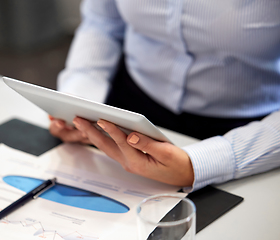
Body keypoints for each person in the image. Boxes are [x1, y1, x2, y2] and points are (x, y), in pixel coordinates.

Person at [49, 0, 280, 192]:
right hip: (129, 107)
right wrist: (77, 101)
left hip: (248, 131)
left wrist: (203, 164)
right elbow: (102, 22)